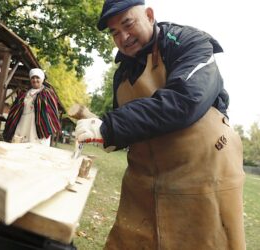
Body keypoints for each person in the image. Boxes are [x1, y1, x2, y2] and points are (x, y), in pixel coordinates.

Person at [75, 0, 246, 249]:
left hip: (204, 174)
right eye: (114, 32)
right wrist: (104, 133)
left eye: (128, 24)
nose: (122, 36)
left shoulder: (191, 42)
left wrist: (111, 127)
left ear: (149, 15)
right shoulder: (121, 74)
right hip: (144, 180)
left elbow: (186, 99)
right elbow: (123, 124)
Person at [3, 68, 61, 146]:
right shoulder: (24, 93)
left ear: (42, 79)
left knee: (34, 145)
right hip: (23, 121)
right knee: (18, 143)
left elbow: (52, 111)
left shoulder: (47, 93)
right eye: (33, 78)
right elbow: (15, 108)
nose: (35, 80)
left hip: (38, 124)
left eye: (37, 78)